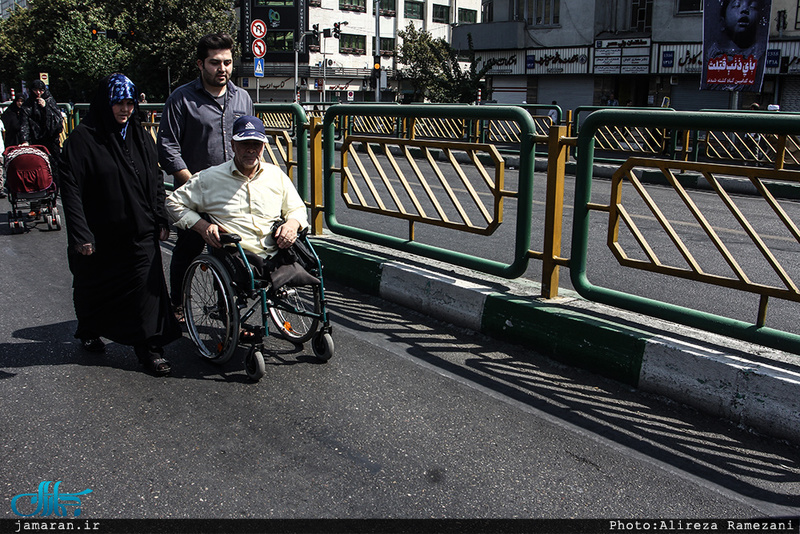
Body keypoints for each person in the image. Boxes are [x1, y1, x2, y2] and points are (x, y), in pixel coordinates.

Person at [58, 74, 182, 376]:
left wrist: (160, 215)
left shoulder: (139, 135)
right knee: (93, 285)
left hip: (140, 230)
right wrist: (81, 234)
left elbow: (154, 179)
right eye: (118, 103)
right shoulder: (83, 139)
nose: (125, 109)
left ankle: (149, 349)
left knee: (147, 289)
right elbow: (71, 190)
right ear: (105, 103)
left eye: (130, 102)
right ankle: (90, 328)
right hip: (101, 232)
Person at [157, 32, 254, 321]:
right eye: (214, 63)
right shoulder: (181, 99)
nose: (221, 69)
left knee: (228, 251)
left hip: (232, 193)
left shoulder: (243, 98)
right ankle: (177, 304)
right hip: (194, 193)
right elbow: (167, 147)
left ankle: (225, 309)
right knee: (188, 249)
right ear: (201, 64)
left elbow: (250, 142)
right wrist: (194, 183)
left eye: (227, 62)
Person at [165, 115, 311, 285]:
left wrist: (292, 225)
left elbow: (297, 208)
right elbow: (172, 203)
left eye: (256, 144)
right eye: (244, 144)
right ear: (233, 146)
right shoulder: (209, 178)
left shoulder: (275, 175)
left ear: (263, 147)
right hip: (238, 254)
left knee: (313, 271)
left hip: (277, 250)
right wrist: (202, 226)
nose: (251, 150)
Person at [20, 79, 63, 163]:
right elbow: (24, 123)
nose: (38, 93)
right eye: (35, 90)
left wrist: (45, 107)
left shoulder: (50, 100)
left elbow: (57, 119)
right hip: (35, 138)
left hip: (51, 138)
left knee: (54, 163)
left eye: (41, 90)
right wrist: (25, 140)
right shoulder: (28, 104)